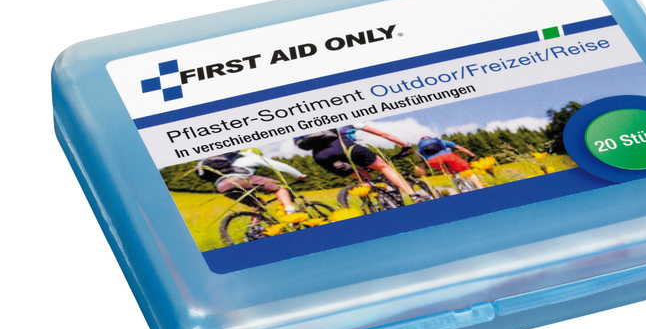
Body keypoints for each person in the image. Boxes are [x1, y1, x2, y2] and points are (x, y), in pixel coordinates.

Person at [294, 123, 428, 200]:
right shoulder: (351, 122)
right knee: (384, 167)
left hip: (320, 156)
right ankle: (414, 195)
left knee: (363, 177)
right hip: (343, 146)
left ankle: (377, 202)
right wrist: (405, 145)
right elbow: (384, 134)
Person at [196, 148, 306, 213]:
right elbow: (279, 165)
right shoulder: (252, 156)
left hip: (221, 186)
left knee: (258, 205)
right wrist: (298, 175)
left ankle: (254, 231)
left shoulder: (229, 160)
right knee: (280, 188)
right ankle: (291, 213)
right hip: (238, 179)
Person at [416, 136, 485, 189]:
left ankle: (459, 187)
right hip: (449, 157)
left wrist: (423, 170)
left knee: (451, 173)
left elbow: (421, 160)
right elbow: (460, 148)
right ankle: (480, 187)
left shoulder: (420, 149)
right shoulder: (442, 141)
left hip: (433, 162)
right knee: (466, 170)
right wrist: (471, 154)